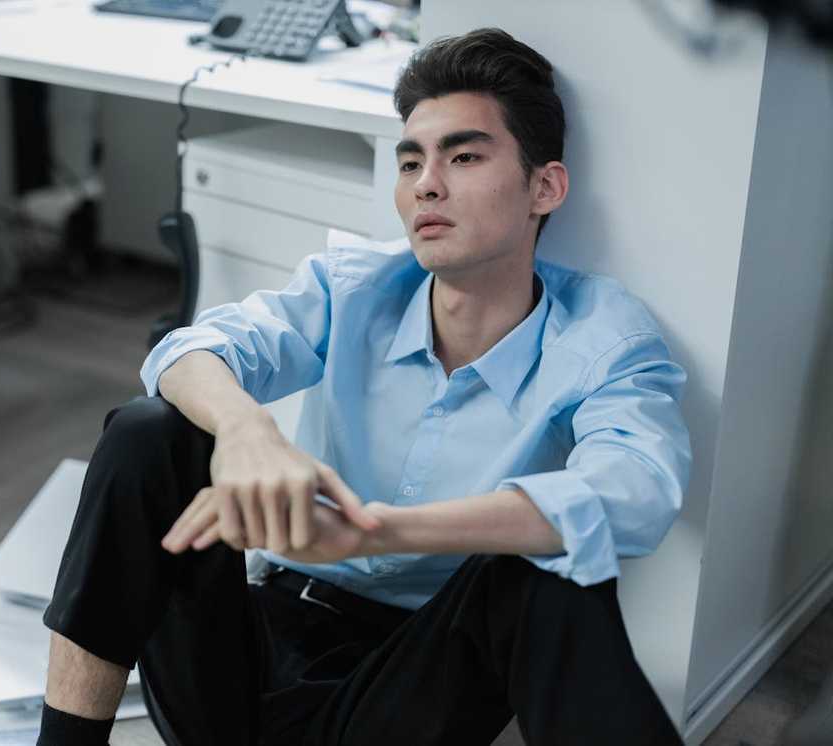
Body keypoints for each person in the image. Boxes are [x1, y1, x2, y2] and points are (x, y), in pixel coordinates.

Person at [37, 28, 692, 746]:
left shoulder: (604, 337)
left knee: (550, 574)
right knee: (149, 430)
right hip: (241, 659)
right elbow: (188, 350)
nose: (426, 184)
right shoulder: (353, 285)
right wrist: (248, 432)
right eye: (411, 162)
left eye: (464, 156)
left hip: (408, 689)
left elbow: (636, 491)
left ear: (545, 187)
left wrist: (376, 531)